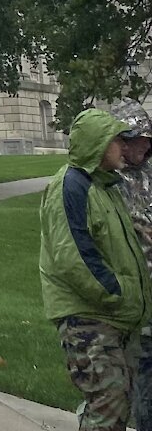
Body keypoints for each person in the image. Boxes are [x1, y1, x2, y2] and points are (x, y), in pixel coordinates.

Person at [41, 107, 152, 429]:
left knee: (115, 403)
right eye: (118, 140)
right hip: (90, 315)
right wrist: (118, 293)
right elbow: (73, 257)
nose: (124, 146)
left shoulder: (105, 187)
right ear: (99, 143)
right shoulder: (72, 186)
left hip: (116, 316)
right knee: (109, 400)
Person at [113, 100, 152, 431]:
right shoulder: (108, 181)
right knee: (127, 381)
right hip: (130, 297)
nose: (144, 144)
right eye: (137, 138)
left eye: (145, 138)